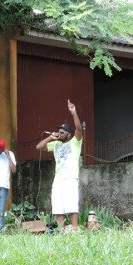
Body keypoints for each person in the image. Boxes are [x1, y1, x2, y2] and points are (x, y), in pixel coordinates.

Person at [35, 99, 83, 231]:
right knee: (58, 205)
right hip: (58, 179)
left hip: (71, 177)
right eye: (59, 132)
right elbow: (39, 147)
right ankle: (61, 230)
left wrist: (74, 113)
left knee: (71, 204)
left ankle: (74, 229)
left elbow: (79, 129)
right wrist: (51, 137)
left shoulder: (75, 142)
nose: (60, 134)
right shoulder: (55, 144)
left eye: (62, 132)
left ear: (69, 134)